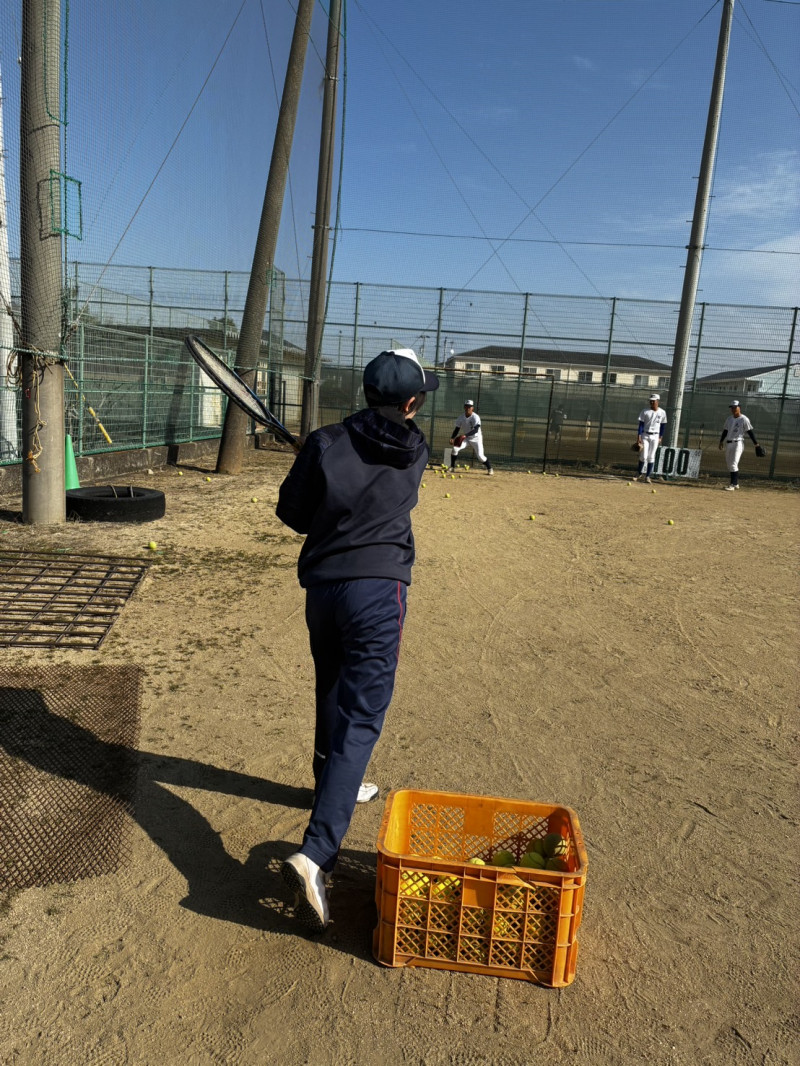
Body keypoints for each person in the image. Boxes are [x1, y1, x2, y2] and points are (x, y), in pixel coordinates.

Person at [275, 348, 439, 932]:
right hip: (378, 591)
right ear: (412, 402)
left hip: (324, 590)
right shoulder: (417, 448)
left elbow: (292, 515)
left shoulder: (324, 442)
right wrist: (321, 457)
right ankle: (317, 853)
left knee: (332, 688)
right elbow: (378, 456)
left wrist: (313, 461)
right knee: (363, 713)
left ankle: (331, 786)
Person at [719, 399, 761, 491]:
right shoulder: (729, 419)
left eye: (735, 407)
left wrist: (756, 444)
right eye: (732, 407)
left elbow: (750, 432)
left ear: (739, 408)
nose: (733, 409)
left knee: (733, 464)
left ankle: (732, 485)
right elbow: (725, 431)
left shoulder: (744, 419)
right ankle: (736, 483)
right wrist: (721, 441)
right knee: (729, 464)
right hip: (729, 443)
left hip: (738, 443)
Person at [449, 399, 493, 475]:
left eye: (469, 407)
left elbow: (476, 430)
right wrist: (452, 437)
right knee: (455, 449)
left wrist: (465, 435)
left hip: (476, 438)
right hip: (466, 438)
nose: (468, 408)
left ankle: (490, 468)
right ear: (464, 407)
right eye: (466, 406)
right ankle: (452, 467)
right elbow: (457, 429)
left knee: (480, 457)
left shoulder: (476, 417)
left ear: (472, 408)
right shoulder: (461, 417)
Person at [634, 394, 667, 483]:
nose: (652, 402)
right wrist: (639, 436)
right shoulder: (645, 411)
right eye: (651, 400)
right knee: (644, 456)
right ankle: (639, 472)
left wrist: (661, 437)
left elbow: (663, 426)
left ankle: (648, 476)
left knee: (651, 456)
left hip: (655, 436)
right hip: (645, 435)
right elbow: (640, 425)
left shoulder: (662, 412)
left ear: (658, 401)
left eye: (654, 400)